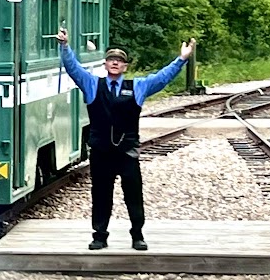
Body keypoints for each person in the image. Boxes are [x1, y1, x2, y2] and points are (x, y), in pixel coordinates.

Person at [56, 27, 195, 251]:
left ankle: (137, 234)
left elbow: (162, 78)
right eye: (111, 60)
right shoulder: (92, 84)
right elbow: (73, 69)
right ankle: (99, 235)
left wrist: (181, 59)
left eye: (119, 61)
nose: (115, 63)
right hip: (101, 150)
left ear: (125, 67)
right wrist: (64, 46)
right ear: (105, 64)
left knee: (133, 193)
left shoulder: (138, 86)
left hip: (127, 150)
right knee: (101, 194)